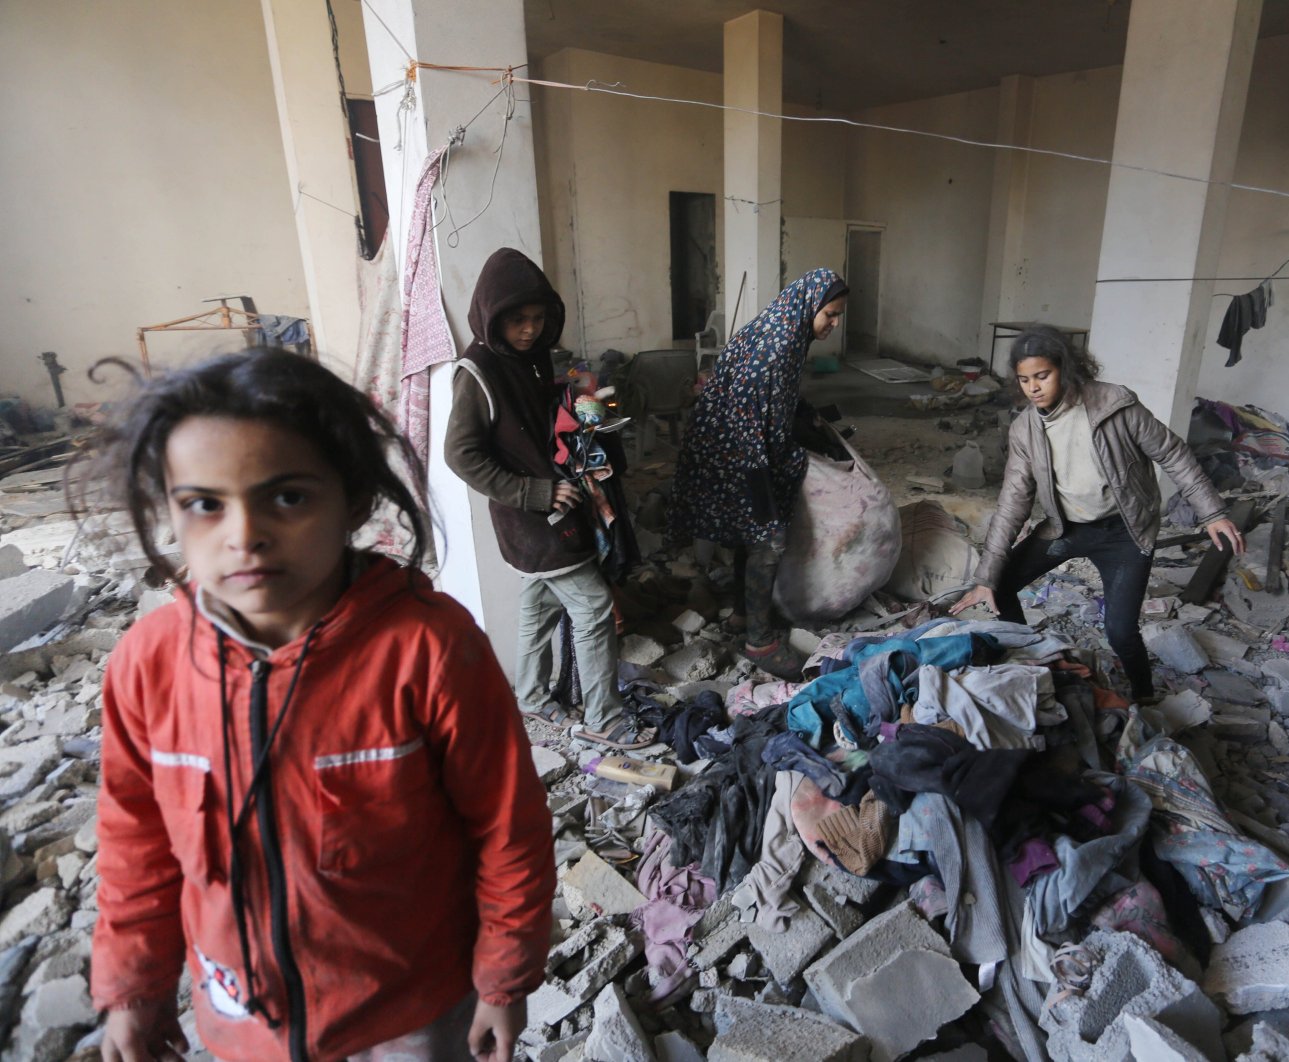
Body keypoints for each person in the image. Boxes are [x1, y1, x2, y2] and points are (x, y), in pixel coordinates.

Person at [80, 349, 554, 1062]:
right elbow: (134, 845)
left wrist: (504, 978)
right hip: (241, 1023)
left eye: (288, 497)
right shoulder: (148, 665)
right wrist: (134, 988)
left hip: (410, 1015)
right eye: (204, 504)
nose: (244, 534)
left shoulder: (428, 649)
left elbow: (506, 828)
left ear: (355, 500)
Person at [950, 324, 1244, 702]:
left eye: (1042, 376)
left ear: (1066, 368)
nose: (1033, 388)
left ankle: (1143, 695)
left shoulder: (1114, 405)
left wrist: (1212, 513)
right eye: (1024, 380)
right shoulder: (1025, 429)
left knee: (1120, 631)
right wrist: (985, 575)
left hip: (1125, 532)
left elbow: (1172, 453)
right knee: (1000, 585)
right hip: (1066, 529)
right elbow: (1013, 500)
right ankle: (1036, 663)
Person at [445, 247, 648, 749]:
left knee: (538, 607)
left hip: (546, 512)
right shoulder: (477, 371)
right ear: (494, 316)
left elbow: (540, 427)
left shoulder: (529, 360)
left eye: (537, 319)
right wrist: (533, 493)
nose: (530, 329)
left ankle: (533, 696)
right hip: (535, 516)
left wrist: (580, 405)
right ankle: (604, 718)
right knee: (595, 608)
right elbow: (461, 455)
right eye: (517, 320)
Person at [669, 268, 848, 681]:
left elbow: (772, 396)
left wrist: (806, 417)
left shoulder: (781, 327)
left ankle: (742, 616)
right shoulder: (781, 344)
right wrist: (762, 481)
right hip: (740, 453)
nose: (834, 324)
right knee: (768, 540)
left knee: (750, 536)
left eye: (838, 316)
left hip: (734, 449)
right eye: (831, 314)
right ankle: (760, 641)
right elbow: (750, 415)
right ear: (810, 306)